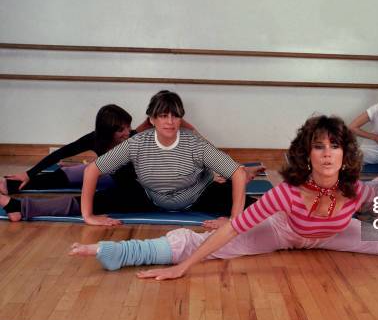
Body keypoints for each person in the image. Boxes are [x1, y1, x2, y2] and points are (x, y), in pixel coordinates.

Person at [69, 116, 378, 280]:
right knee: (194, 245)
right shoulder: (288, 193)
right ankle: (113, 252)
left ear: (344, 152)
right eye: (320, 146)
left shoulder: (356, 191)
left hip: (339, 232)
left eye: (335, 145)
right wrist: (182, 268)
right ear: (308, 154)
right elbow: (234, 228)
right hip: (282, 232)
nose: (329, 153)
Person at [0, 90, 255, 225]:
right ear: (152, 120)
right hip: (144, 195)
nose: (169, 121)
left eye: (174, 116)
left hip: (196, 196)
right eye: (162, 116)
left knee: (255, 207)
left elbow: (237, 172)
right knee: (87, 196)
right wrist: (88, 216)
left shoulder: (193, 143)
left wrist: (233, 222)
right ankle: (19, 206)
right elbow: (91, 171)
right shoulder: (136, 143)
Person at [0, 104, 198, 194]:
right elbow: (62, 153)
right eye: (121, 130)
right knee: (56, 178)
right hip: (103, 172)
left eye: (128, 127)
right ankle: (7, 184)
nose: (127, 132)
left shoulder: (135, 139)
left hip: (119, 180)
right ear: (107, 131)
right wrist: (29, 173)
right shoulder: (95, 140)